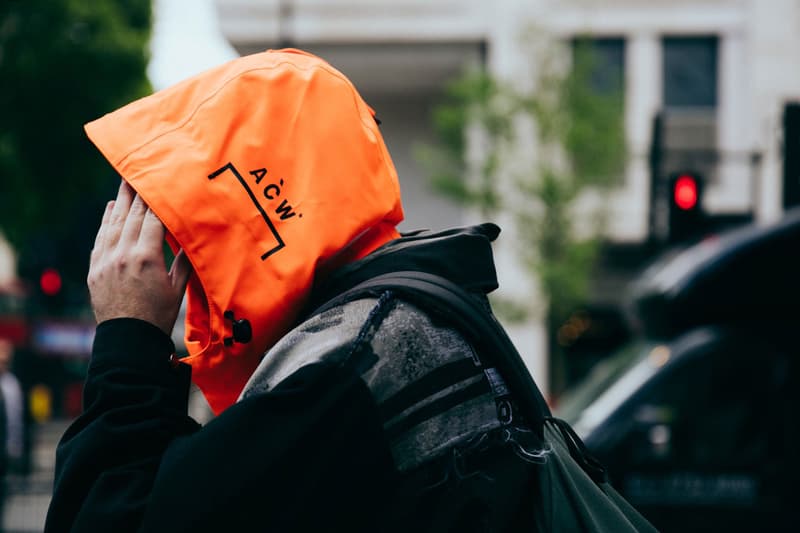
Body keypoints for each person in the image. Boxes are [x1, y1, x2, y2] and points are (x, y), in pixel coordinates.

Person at [44, 49, 650, 533]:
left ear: (250, 216)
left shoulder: (351, 364)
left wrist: (129, 339)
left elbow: (110, 518)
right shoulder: (413, 317)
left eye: (194, 227)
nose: (184, 268)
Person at [0, 336, 24, 529]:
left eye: (7, 359)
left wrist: (15, 449)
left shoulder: (12, 384)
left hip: (4, 456)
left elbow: (16, 420)